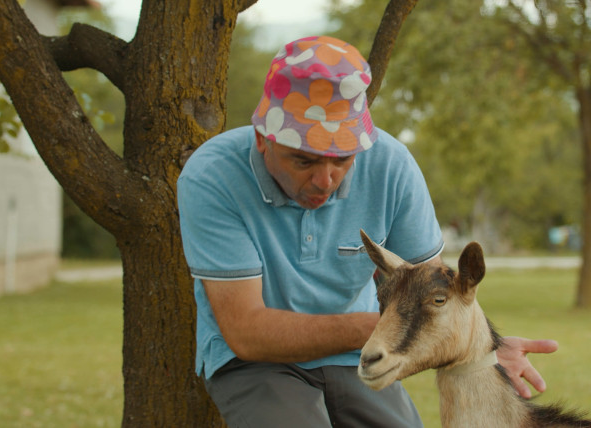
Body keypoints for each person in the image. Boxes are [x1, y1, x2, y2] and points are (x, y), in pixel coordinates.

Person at [177, 35, 559, 427]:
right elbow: (246, 332)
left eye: (342, 159)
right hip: (255, 362)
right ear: (262, 138)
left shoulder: (391, 164)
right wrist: (376, 328)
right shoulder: (213, 177)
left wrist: (482, 347)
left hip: (359, 352)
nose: (325, 180)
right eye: (303, 161)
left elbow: (431, 286)